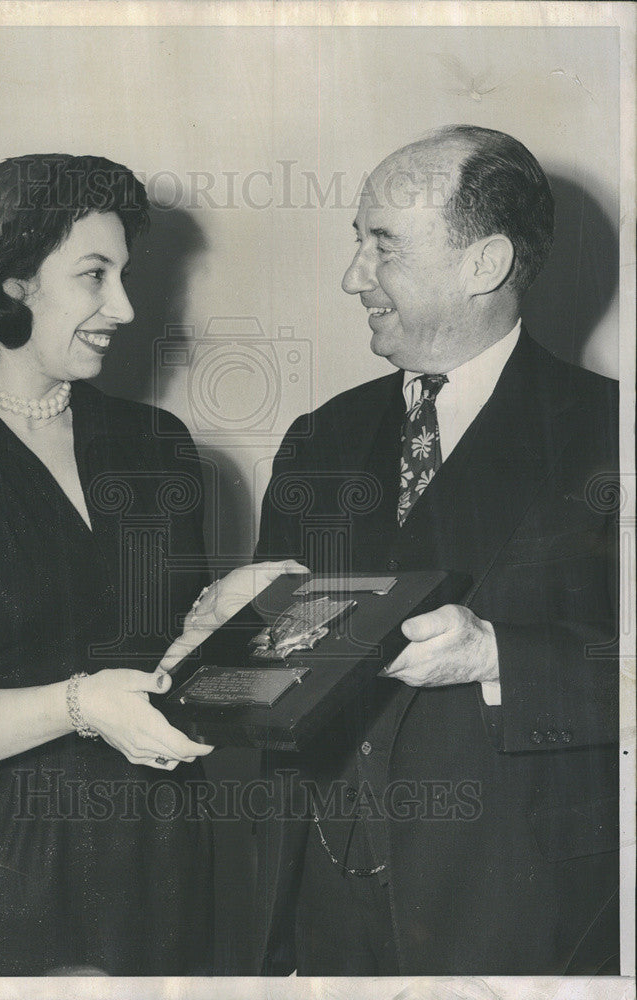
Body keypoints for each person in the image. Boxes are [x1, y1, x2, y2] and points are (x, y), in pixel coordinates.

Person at [253, 126, 619, 974]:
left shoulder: (609, 432)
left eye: (380, 244)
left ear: (483, 264)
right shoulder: (322, 437)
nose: (352, 276)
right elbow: (273, 683)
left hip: (528, 922)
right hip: (328, 919)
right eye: (355, 242)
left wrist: (496, 657)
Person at [0, 154, 221, 976]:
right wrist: (79, 703)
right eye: (94, 276)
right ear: (12, 281)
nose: (123, 307)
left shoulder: (157, 446)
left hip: (161, 860)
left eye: (124, 276)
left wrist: (237, 618)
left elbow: (180, 663)